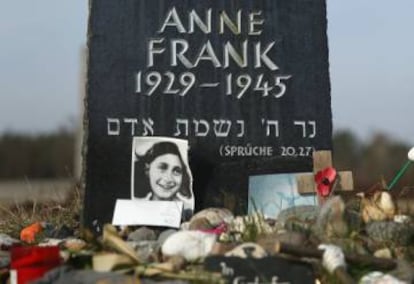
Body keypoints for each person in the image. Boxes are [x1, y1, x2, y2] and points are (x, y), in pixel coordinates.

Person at [133, 141, 193, 217]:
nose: (168, 178)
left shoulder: (189, 211)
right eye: (162, 167)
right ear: (147, 170)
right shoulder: (136, 209)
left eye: (177, 171)